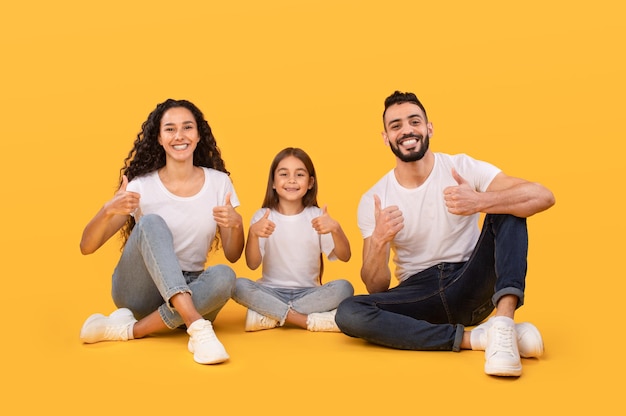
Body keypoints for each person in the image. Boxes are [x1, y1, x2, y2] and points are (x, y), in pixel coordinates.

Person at [335, 91, 555, 377]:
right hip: (418, 296)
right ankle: (478, 338)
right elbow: (376, 288)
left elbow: (543, 196)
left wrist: (479, 201)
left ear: (429, 128)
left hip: (469, 283)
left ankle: (503, 322)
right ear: (386, 137)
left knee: (508, 205)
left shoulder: (462, 167)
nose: (407, 131)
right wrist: (378, 241)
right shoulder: (374, 198)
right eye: (396, 125)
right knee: (349, 311)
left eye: (414, 121)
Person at [79, 99, 244, 365]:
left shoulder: (219, 183)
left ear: (199, 135)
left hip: (193, 287)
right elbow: (86, 246)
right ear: (158, 137)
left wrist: (235, 223)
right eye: (170, 129)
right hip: (140, 291)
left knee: (226, 274)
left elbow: (234, 254)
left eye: (187, 127)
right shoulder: (140, 186)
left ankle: (130, 330)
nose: (179, 135)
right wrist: (107, 209)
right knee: (151, 222)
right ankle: (197, 327)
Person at [232, 147, 354, 332]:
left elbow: (345, 256)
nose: (291, 180)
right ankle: (306, 320)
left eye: (299, 174)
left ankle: (271, 316)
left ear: (310, 182)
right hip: (271, 291)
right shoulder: (262, 216)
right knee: (237, 285)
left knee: (344, 288)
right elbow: (252, 264)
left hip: (309, 293)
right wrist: (254, 234)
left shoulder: (317, 216)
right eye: (284, 174)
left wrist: (336, 229)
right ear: (273, 182)